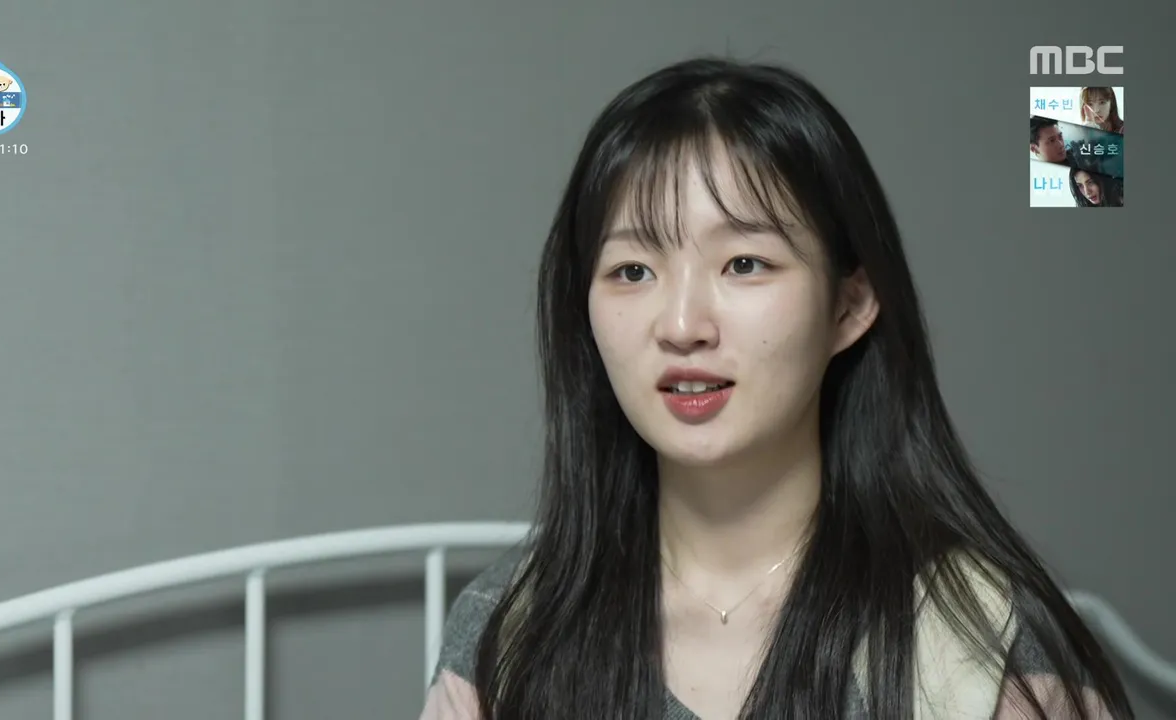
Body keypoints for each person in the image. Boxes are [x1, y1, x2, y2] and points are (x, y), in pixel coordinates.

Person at [420, 57, 1134, 719]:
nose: (682, 325)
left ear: (849, 305)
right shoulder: (511, 633)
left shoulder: (985, 646)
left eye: (745, 263)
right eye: (633, 271)